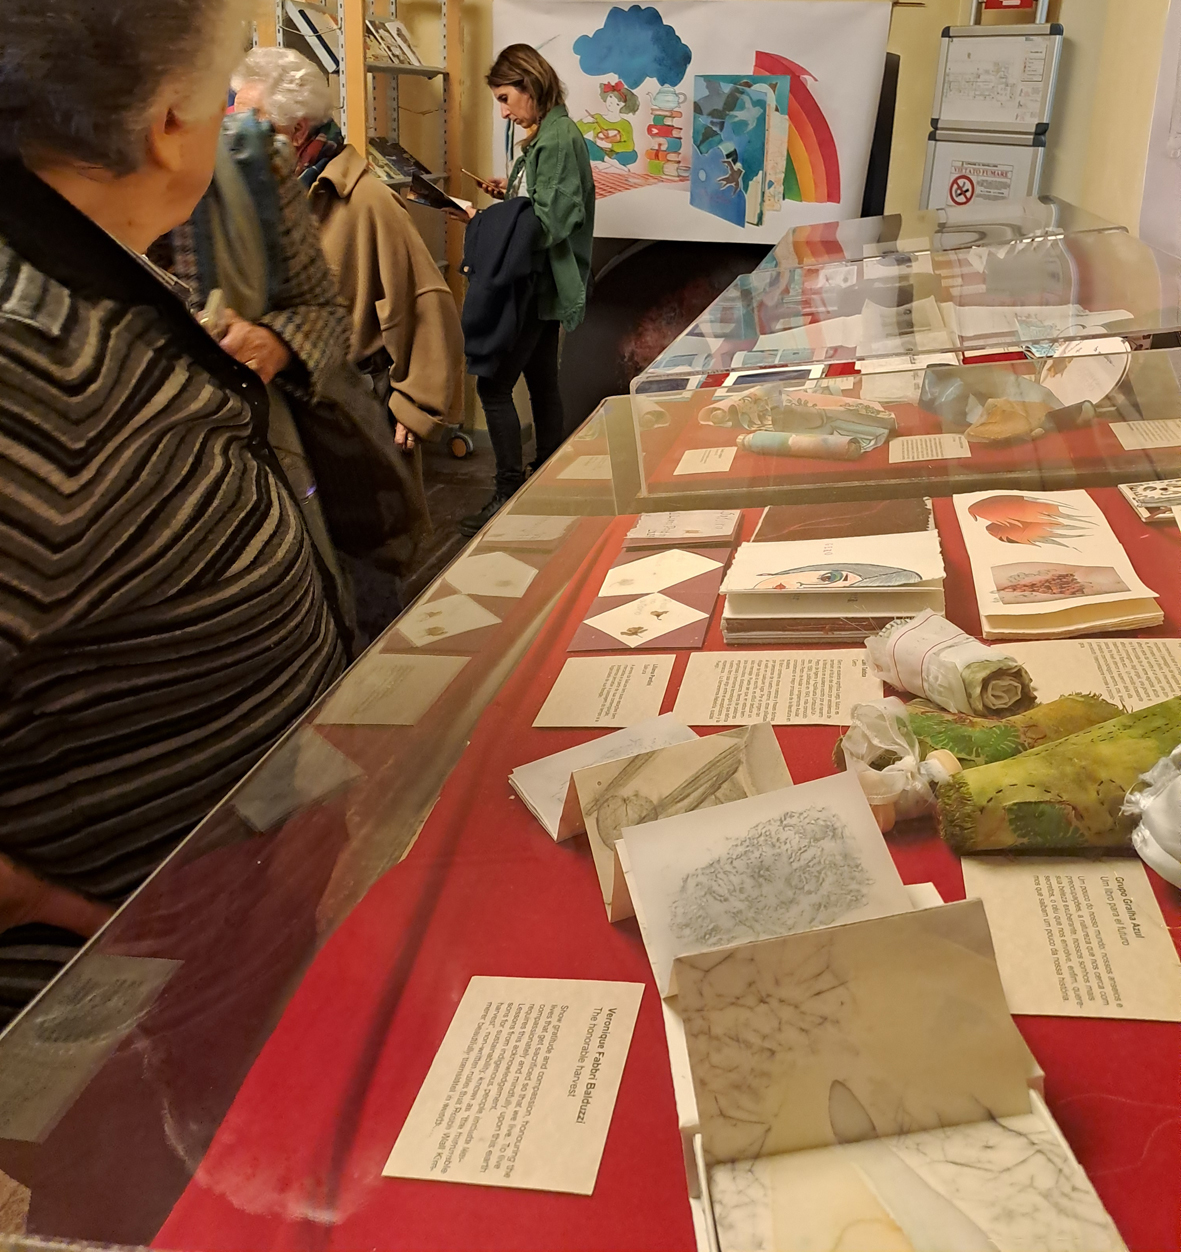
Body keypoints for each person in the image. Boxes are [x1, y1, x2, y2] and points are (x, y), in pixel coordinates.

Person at [0, 0, 347, 1022]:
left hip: (224, 941)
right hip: (123, 1011)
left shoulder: (74, 269)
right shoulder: (26, 362)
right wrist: (46, 904)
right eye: (225, 76)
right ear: (167, 123)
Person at [230, 47, 463, 456]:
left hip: (349, 413)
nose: (235, 136)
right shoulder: (255, 195)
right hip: (279, 407)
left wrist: (417, 405)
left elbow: (425, 300)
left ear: (297, 131)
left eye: (252, 121)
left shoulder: (365, 199)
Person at [458, 44, 596, 538]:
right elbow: (539, 207)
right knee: (541, 381)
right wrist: (511, 195)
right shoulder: (552, 134)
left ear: (530, 86)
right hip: (544, 282)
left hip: (536, 282)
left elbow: (546, 225)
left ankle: (508, 493)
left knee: (493, 386)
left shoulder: (556, 139)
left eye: (505, 98)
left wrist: (483, 221)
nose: (503, 112)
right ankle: (545, 484)